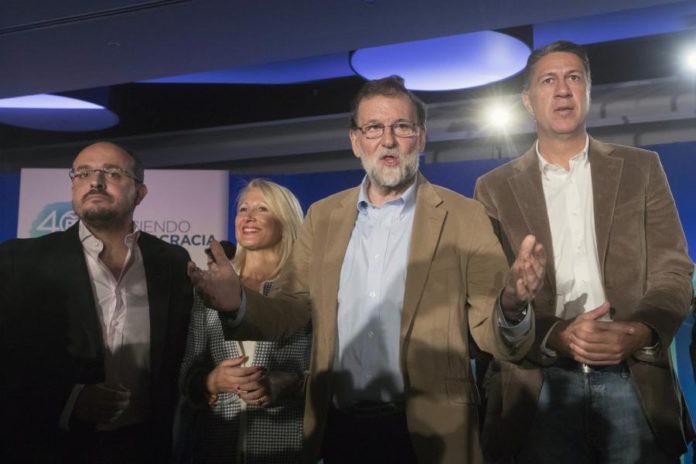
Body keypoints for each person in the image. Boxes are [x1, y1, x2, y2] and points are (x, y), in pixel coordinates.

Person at [189, 76, 546, 464]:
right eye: (374, 127)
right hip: (339, 430)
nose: (388, 140)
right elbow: (291, 309)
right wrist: (238, 303)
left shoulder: (465, 216)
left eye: (402, 127)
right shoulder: (323, 217)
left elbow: (494, 334)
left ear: (421, 138)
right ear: (356, 141)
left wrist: (511, 307)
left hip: (432, 434)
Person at [474, 40, 694, 463]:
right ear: (527, 100)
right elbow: (489, 298)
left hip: (634, 380)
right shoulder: (494, 188)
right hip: (540, 386)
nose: (562, 90)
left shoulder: (642, 168)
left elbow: (673, 270)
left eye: (573, 78)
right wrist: (554, 332)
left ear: (588, 92)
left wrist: (640, 331)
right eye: (548, 80)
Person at [0, 142, 192, 463]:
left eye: (112, 173)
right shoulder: (20, 261)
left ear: (140, 193)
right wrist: (70, 400)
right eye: (83, 173)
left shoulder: (172, 262)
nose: (95, 182)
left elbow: (184, 355)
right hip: (48, 445)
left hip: (147, 448)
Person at [177, 179, 309, 463]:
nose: (248, 216)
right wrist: (209, 382)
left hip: (286, 445)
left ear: (286, 221)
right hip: (214, 444)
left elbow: (331, 369)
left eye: (262, 209)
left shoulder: (308, 289)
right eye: (243, 209)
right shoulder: (210, 286)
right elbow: (188, 367)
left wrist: (292, 383)